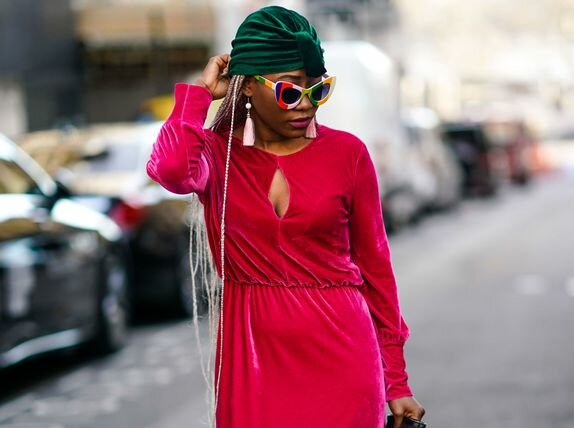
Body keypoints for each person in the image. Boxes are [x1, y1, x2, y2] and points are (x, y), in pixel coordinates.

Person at [146, 6, 425, 428]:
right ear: (247, 89)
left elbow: (376, 269)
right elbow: (170, 170)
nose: (306, 105)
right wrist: (200, 94)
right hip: (252, 360)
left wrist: (397, 381)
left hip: (344, 354)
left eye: (318, 90)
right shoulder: (218, 155)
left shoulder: (347, 154)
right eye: (290, 91)